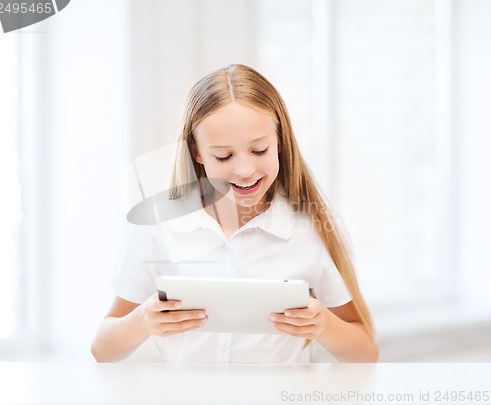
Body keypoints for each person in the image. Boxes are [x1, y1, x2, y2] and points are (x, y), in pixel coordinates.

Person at [91, 64, 379, 363]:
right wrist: (142, 322)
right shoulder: (157, 225)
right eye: (223, 156)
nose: (244, 170)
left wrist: (325, 326)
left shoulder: (313, 229)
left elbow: (365, 352)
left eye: (259, 151)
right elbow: (103, 348)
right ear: (197, 152)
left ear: (279, 141)